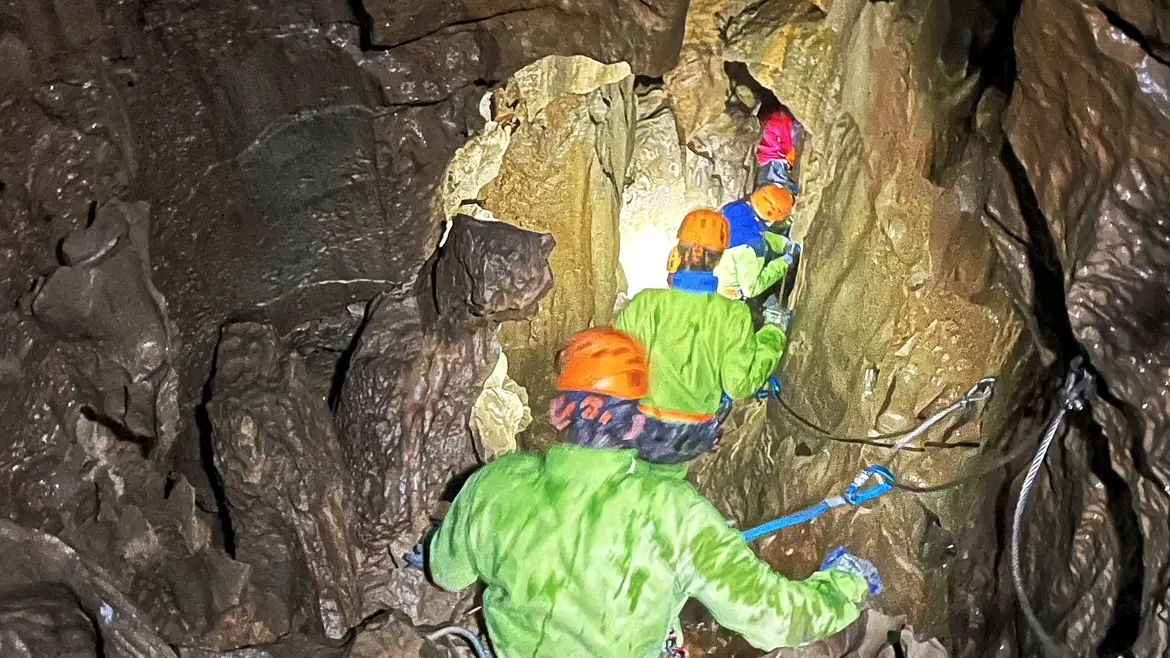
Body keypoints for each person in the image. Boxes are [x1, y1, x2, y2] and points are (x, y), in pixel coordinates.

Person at [427, 327, 880, 657]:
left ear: (560, 412)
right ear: (639, 422)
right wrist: (848, 582)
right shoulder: (675, 514)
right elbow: (773, 618)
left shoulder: (495, 484)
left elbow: (447, 573)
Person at [614, 209, 786, 461]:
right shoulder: (733, 313)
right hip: (694, 435)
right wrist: (773, 333)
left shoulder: (645, 303)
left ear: (680, 251)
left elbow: (619, 369)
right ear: (718, 259)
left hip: (641, 429)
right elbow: (738, 386)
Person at [715, 183, 800, 302]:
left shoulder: (735, 208)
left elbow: (755, 231)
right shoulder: (754, 247)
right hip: (722, 297)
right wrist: (784, 263)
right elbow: (751, 289)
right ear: (773, 220)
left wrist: (784, 244)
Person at [755, 107, 802, 195]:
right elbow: (786, 145)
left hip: (767, 159)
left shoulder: (770, 123)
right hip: (773, 159)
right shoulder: (779, 124)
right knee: (775, 182)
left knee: (766, 183)